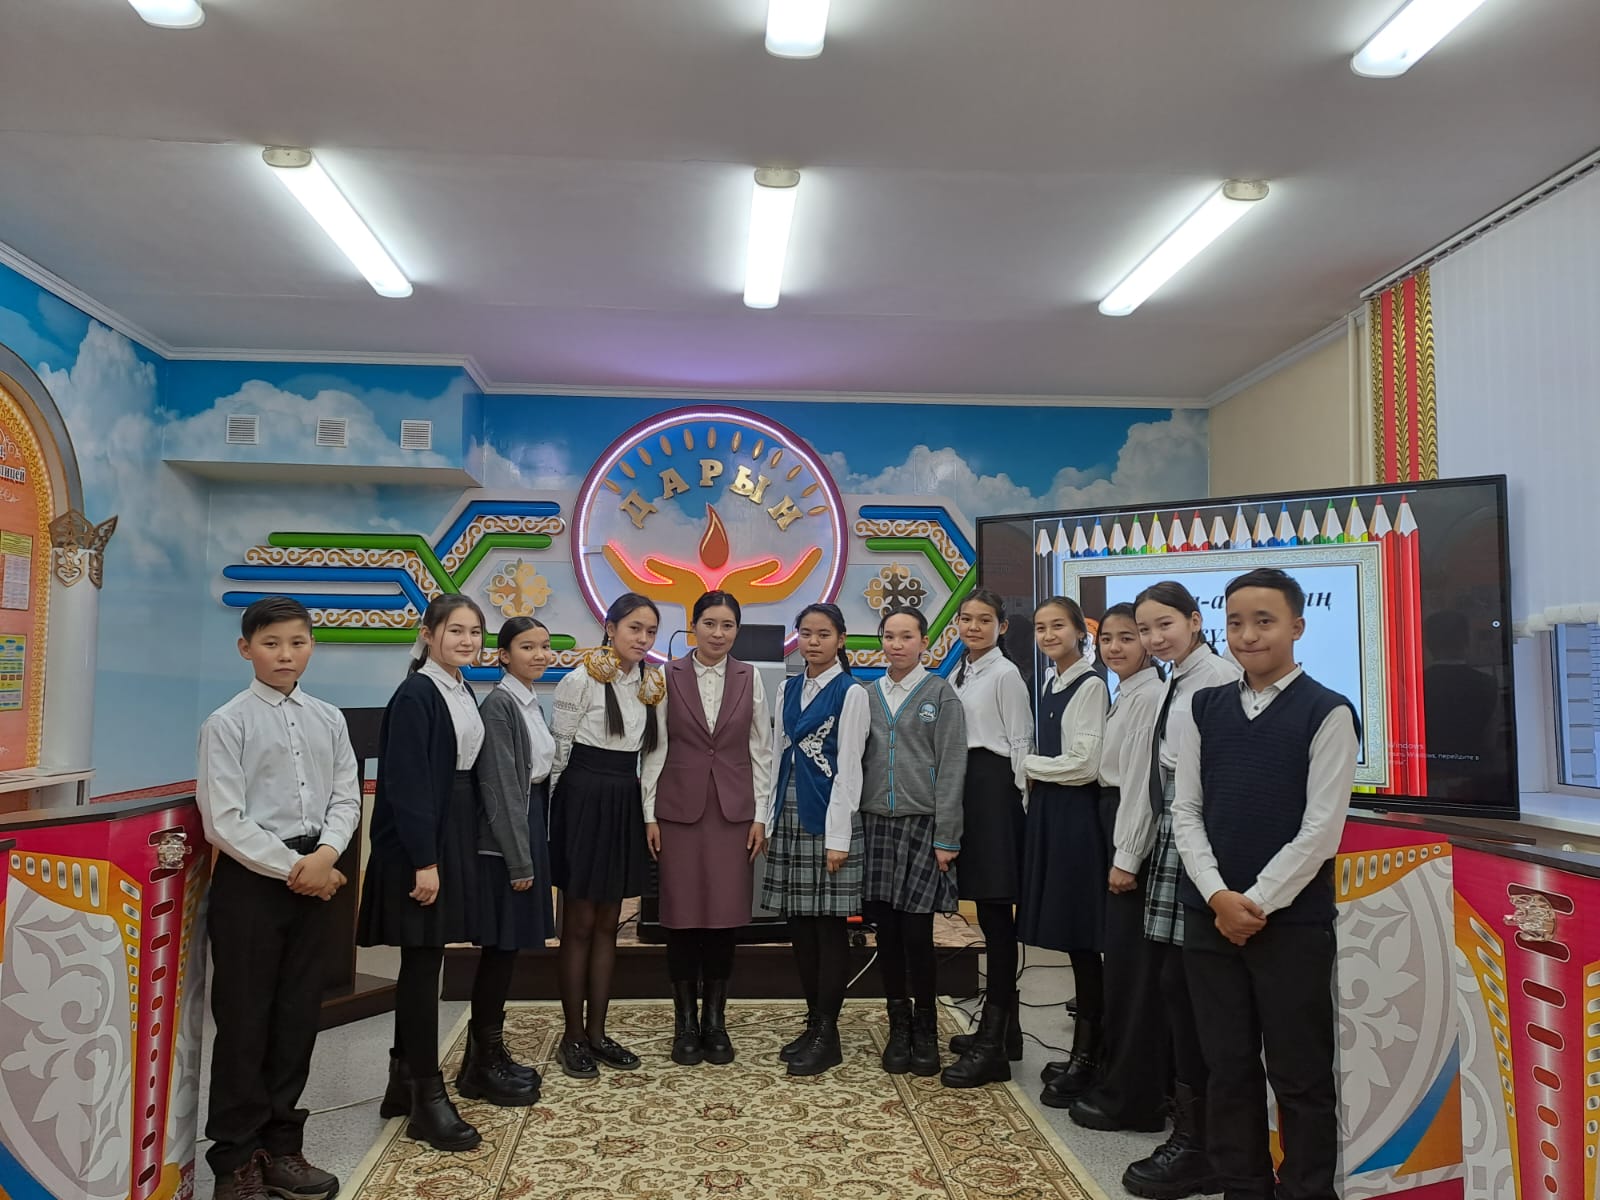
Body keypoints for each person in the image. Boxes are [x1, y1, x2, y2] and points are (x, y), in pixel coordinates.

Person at [1175, 568, 1357, 1200]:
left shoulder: (1328, 711)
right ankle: (1242, 1186)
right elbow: (1186, 810)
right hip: (1210, 918)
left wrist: (1254, 903)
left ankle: (1307, 1189)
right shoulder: (1204, 706)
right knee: (1227, 1068)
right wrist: (1217, 896)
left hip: (1292, 925)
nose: (1248, 635)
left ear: (1296, 627)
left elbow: (1321, 830)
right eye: (1235, 623)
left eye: (1264, 621)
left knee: (1300, 1074)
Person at [360, 594, 536, 1154]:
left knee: (426, 957)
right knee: (421, 964)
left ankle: (401, 1082)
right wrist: (424, 861)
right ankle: (427, 1097)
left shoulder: (460, 688)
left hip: (453, 828)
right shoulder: (418, 693)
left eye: (475, 632)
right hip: (423, 839)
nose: (467, 640)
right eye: (455, 630)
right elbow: (408, 784)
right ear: (428, 633)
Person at [197, 597, 358, 1200]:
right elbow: (224, 820)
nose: (285, 654)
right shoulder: (227, 723)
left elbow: (346, 796)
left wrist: (327, 854)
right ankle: (235, 1161)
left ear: (311, 646)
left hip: (317, 872)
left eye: (297, 642)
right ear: (246, 649)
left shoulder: (328, 718)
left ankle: (282, 1147)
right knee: (245, 1021)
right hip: (252, 883)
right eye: (271, 643)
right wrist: (299, 869)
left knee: (297, 1018)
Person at [1120, 580, 1241, 1200]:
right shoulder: (1179, 678)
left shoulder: (1216, 678)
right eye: (1145, 629)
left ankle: (1206, 1145)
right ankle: (1192, 1131)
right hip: (1174, 826)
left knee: (1194, 987)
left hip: (1201, 835)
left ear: (1195, 620)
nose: (1153, 638)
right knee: (1175, 983)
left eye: (1163, 624)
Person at [641, 591, 774, 1066]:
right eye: (710, 623)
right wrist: (649, 813)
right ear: (693, 625)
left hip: (733, 813)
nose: (718, 633)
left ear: (737, 630)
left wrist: (761, 815)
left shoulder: (750, 676)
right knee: (680, 919)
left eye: (728, 625)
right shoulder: (665, 676)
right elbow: (654, 748)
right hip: (678, 812)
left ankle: (715, 1022)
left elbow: (762, 749)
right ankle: (685, 1024)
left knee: (723, 919)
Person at [547, 592, 664, 1078]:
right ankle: (572, 1036)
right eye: (634, 628)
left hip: (622, 801)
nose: (643, 638)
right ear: (610, 628)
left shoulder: (651, 685)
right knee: (577, 923)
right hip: (581, 797)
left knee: (608, 924)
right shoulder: (579, 680)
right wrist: (551, 822)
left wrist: (649, 815)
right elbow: (558, 753)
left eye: (651, 631)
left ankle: (597, 1033)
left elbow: (652, 758)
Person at [1062, 603, 1168, 1130]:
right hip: (1110, 817)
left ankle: (1134, 1095)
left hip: (1129, 822)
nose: (1115, 647)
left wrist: (1126, 858)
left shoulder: (1149, 696)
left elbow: (1143, 783)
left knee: (1133, 969)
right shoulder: (1126, 692)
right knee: (1120, 962)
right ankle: (1114, 1074)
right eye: (1107, 639)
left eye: (1129, 637)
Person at [860, 604, 967, 1078]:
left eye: (907, 636)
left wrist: (947, 835)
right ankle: (897, 1024)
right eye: (890, 636)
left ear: (925, 642)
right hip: (876, 827)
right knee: (886, 932)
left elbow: (952, 766)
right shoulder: (866, 695)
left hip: (923, 827)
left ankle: (925, 1026)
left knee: (917, 933)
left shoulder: (940, 694)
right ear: (881, 642)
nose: (897, 644)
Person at [762, 602, 869, 1077]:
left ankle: (829, 1032)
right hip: (788, 811)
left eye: (823, 634)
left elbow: (850, 767)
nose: (813, 642)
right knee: (801, 927)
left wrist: (838, 836)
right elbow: (776, 755)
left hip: (827, 815)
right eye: (805, 633)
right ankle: (812, 1023)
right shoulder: (787, 687)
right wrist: (767, 819)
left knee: (828, 928)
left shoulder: (852, 693)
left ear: (840, 640)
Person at [1015, 596, 1109, 1106]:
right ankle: (1085, 1050)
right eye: (1041, 628)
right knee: (1073, 942)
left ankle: (1089, 1056)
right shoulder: (1051, 682)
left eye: (1058, 626)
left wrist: (1027, 765)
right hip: (1052, 813)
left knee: (1083, 940)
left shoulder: (1090, 685)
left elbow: (1083, 764)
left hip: (1076, 819)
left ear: (1080, 632)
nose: (1049, 635)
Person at [942, 588, 1033, 1088]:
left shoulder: (1005, 675)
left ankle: (994, 1045)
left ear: (1002, 626)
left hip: (996, 794)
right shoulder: (962, 671)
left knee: (997, 919)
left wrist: (1020, 811)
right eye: (966, 619)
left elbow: (1021, 743)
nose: (973, 627)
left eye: (984, 620)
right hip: (968, 792)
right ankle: (1006, 1031)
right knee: (985, 912)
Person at [468, 616, 559, 1100]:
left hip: (530, 825)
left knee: (508, 953)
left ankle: (488, 1054)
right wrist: (519, 860)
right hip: (506, 841)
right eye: (527, 647)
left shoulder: (530, 701)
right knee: (498, 951)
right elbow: (502, 788)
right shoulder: (500, 705)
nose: (539, 655)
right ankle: (482, 1062)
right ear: (503, 655)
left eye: (544, 646)